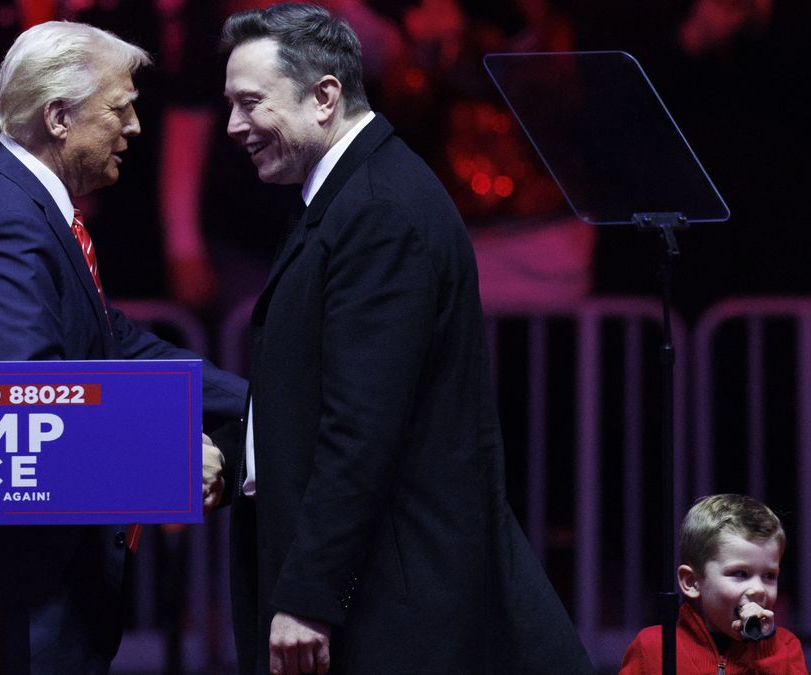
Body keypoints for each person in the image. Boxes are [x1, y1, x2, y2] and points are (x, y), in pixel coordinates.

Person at [211, 4, 592, 672]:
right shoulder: (354, 196)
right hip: (379, 597)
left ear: (324, 95)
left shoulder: (379, 210)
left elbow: (362, 426)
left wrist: (308, 596)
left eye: (250, 103)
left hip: (389, 613)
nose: (234, 126)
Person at [0, 20, 246, 672]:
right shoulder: (2, 221)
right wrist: (162, 456)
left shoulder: (13, 201)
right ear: (57, 116)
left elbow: (113, 343)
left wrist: (256, 406)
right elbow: (30, 402)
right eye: (120, 108)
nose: (135, 126)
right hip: (9, 617)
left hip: (17, 605)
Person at [619, 494, 808, 674]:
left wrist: (766, 649)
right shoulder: (654, 647)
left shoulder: (786, 648)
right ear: (692, 582)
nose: (759, 589)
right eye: (740, 574)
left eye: (769, 575)